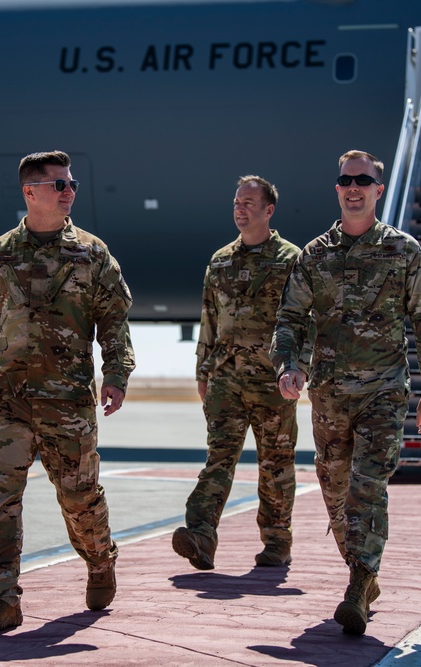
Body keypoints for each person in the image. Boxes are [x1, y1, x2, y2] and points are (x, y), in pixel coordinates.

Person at [0, 150, 136, 632]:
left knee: (79, 498)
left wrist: (116, 375)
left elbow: (114, 322)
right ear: (30, 192)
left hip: (68, 402)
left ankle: (100, 561)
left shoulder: (92, 253)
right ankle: (3, 598)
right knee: (0, 500)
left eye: (72, 183)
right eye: (58, 184)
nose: (69, 191)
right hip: (8, 400)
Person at [270, 150, 421, 635]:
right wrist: (290, 366)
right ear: (337, 187)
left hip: (384, 391)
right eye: (345, 179)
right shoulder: (315, 255)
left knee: (368, 487)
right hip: (328, 396)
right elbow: (290, 320)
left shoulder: (404, 251)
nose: (353, 187)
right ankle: (364, 574)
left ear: (378, 190)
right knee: (336, 491)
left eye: (363, 180)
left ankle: (357, 585)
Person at [172, 176, 308, 571]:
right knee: (219, 457)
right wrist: (202, 370)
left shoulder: (290, 260)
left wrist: (298, 367)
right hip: (226, 380)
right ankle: (200, 535)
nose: (240, 208)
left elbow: (305, 320)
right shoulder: (220, 260)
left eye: (249, 202)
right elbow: (209, 319)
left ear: (269, 210)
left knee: (276, 463)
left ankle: (277, 542)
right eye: (236, 201)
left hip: (272, 382)